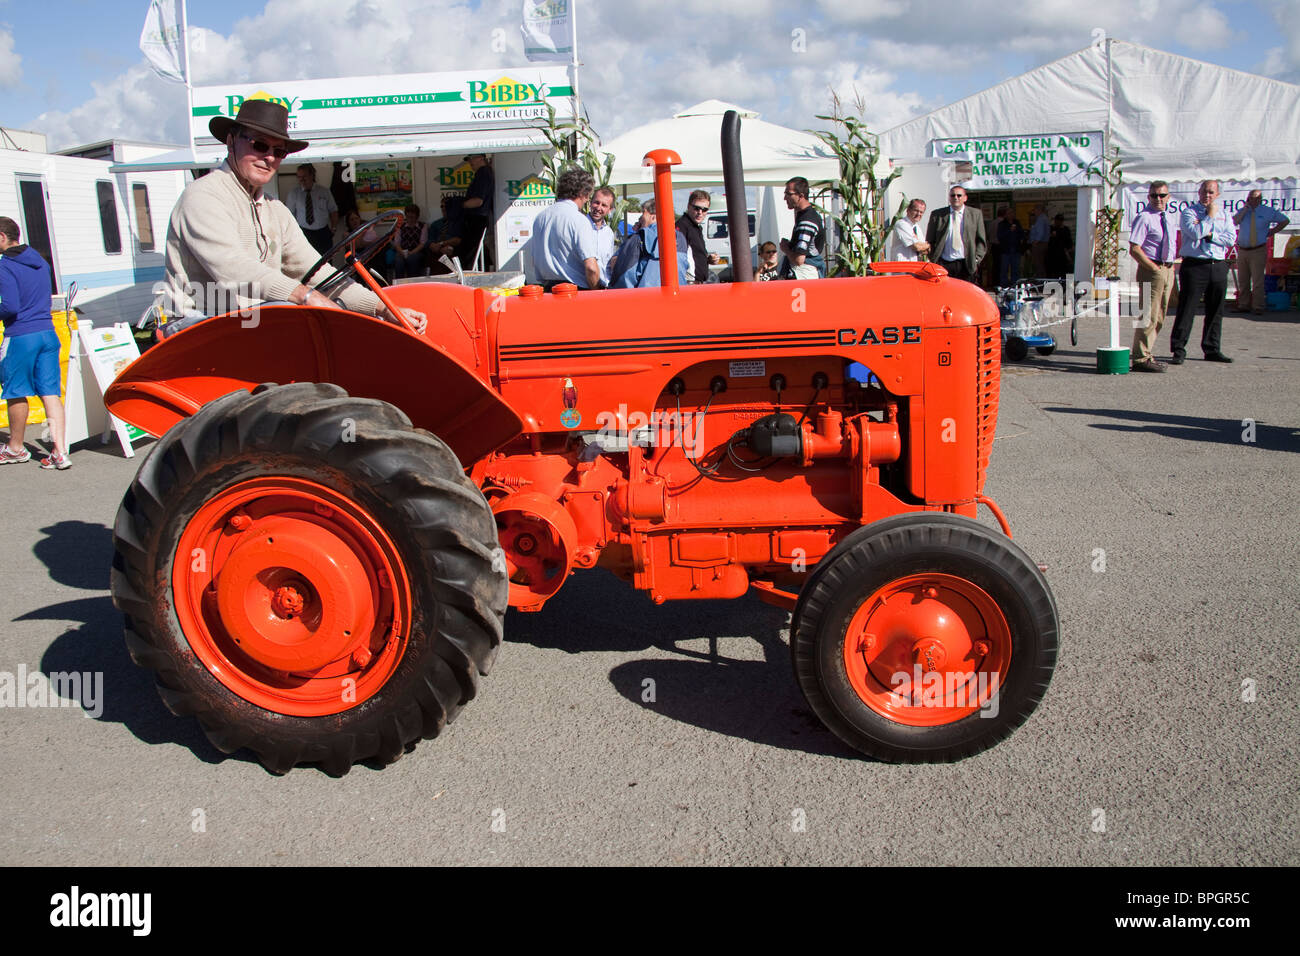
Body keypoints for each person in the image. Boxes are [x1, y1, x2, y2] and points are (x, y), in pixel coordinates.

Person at [160, 99, 424, 333]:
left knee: (332, 318)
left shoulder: (276, 211)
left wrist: (381, 308)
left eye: (279, 151)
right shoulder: (204, 196)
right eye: (259, 145)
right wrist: (304, 296)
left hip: (249, 318)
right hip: (197, 320)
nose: (269, 158)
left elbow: (316, 273)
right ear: (231, 141)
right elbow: (233, 269)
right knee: (295, 318)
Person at [0, 217, 70, 469]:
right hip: (47, 333)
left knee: (15, 391)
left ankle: (16, 448)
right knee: (50, 392)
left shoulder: (5, 265)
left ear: (2, 237)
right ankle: (60, 452)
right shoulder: (40, 261)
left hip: (21, 336)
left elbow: (10, 306)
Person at [1169, 179, 1236, 364]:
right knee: (1187, 308)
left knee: (1216, 310)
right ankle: (1178, 349)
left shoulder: (1225, 214)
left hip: (1218, 264)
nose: (1207, 195)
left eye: (1211, 192)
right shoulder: (1189, 212)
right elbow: (1196, 233)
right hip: (1195, 265)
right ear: (1199, 192)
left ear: (1218, 195)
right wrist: (1209, 217)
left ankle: (1212, 348)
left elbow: (1230, 239)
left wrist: (1212, 234)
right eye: (1205, 191)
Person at [1127, 181, 1178, 373]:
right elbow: (1134, 248)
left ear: (1168, 197)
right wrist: (1153, 268)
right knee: (1148, 314)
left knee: (1160, 315)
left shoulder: (1169, 217)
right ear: (1148, 197)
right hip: (1152, 269)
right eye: (1154, 195)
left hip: (1167, 268)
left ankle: (1147, 352)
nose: (1158, 199)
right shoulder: (1145, 217)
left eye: (1162, 195)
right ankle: (1140, 357)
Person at [525, 167, 601, 290]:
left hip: (547, 290)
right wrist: (596, 291)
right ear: (582, 193)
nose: (587, 200)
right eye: (588, 196)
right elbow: (591, 268)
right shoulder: (578, 219)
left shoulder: (540, 217)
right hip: (573, 291)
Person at [1232, 189, 1289, 315]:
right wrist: (1245, 209)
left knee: (1257, 280)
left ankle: (1258, 306)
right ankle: (1243, 305)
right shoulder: (1243, 211)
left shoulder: (1267, 211)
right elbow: (1234, 222)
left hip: (1258, 249)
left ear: (1261, 199)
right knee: (1243, 279)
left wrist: (1273, 231)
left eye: (1256, 198)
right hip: (1243, 249)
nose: (1253, 200)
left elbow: (1285, 220)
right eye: (1251, 197)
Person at [926, 185, 986, 282]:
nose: (956, 198)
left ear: (965, 198)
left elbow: (981, 240)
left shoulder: (975, 214)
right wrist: (935, 259)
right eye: (953, 195)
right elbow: (930, 240)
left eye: (959, 195)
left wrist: (976, 260)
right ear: (949, 198)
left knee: (966, 295)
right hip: (944, 263)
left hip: (966, 264)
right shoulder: (937, 215)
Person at [609, 219, 689, 288]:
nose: (639, 220)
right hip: (675, 300)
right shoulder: (680, 237)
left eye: (643, 215)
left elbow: (624, 277)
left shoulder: (639, 238)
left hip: (645, 300)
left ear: (653, 216)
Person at [779, 177, 825, 279]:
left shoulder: (807, 221)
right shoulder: (806, 216)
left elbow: (799, 259)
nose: (785, 198)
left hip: (804, 276)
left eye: (788, 194)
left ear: (801, 196)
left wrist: (785, 248)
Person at [286, 163, 338, 255]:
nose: (301, 180)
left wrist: (333, 228)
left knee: (326, 262)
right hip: (304, 233)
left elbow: (333, 210)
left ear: (312, 175)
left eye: (304, 176)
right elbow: (289, 216)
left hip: (323, 233)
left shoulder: (324, 191)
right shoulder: (294, 194)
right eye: (299, 177)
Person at [460, 154, 494, 271]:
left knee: (470, 256)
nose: (470, 162)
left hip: (478, 219)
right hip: (480, 218)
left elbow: (478, 201)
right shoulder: (484, 172)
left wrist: (461, 205)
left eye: (471, 159)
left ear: (480, 157)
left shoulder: (483, 173)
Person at [677, 190, 718, 283]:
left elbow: (693, 255)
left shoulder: (695, 227)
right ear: (688, 206)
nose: (700, 212)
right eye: (696, 208)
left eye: (704, 210)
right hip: (688, 283)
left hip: (696, 282)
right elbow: (679, 257)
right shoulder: (682, 226)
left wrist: (708, 260)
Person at [426, 195, 463, 274]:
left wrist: (442, 244)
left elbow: (458, 240)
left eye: (446, 206)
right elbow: (429, 241)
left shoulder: (458, 222)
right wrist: (438, 248)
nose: (444, 208)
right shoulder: (435, 224)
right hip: (437, 251)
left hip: (453, 251)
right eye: (442, 206)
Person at [589, 186, 617, 286]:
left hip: (605, 288)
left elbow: (608, 263)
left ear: (610, 209)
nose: (598, 208)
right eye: (596, 202)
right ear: (590, 202)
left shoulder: (609, 233)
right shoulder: (580, 226)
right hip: (585, 288)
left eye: (604, 205)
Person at [392, 204, 428, 280]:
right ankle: (399, 285)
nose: (410, 219)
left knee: (412, 259)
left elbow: (422, 243)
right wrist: (402, 252)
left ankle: (412, 283)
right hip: (402, 251)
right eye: (408, 217)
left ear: (417, 216)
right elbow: (397, 243)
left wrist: (411, 253)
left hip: (417, 251)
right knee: (398, 261)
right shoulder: (400, 226)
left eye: (412, 217)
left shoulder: (423, 226)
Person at [995, 206, 1025, 285]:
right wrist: (1009, 230)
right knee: (1004, 269)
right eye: (1009, 213)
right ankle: (1004, 285)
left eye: (1012, 213)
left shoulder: (1017, 223)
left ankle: (1015, 284)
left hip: (1016, 249)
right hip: (1006, 250)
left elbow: (1022, 234)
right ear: (1006, 215)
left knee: (1015, 269)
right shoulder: (1002, 224)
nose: (1011, 215)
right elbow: (1000, 236)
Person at [1046, 213, 1073, 279]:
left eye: (1061, 220)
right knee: (1053, 272)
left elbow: (1069, 241)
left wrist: (1068, 252)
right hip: (1052, 254)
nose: (1059, 222)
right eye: (1057, 220)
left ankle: (1067, 287)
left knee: (1066, 271)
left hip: (1063, 254)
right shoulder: (1051, 228)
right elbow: (1048, 240)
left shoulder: (1066, 229)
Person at [1028, 204, 1050, 276]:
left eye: (1035, 210)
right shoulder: (1045, 218)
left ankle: (1040, 280)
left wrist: (1035, 242)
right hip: (1043, 243)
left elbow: (1040, 232)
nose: (1034, 212)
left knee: (1038, 263)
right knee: (1041, 263)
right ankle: (1042, 279)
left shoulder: (1041, 219)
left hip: (1039, 244)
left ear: (1039, 210)